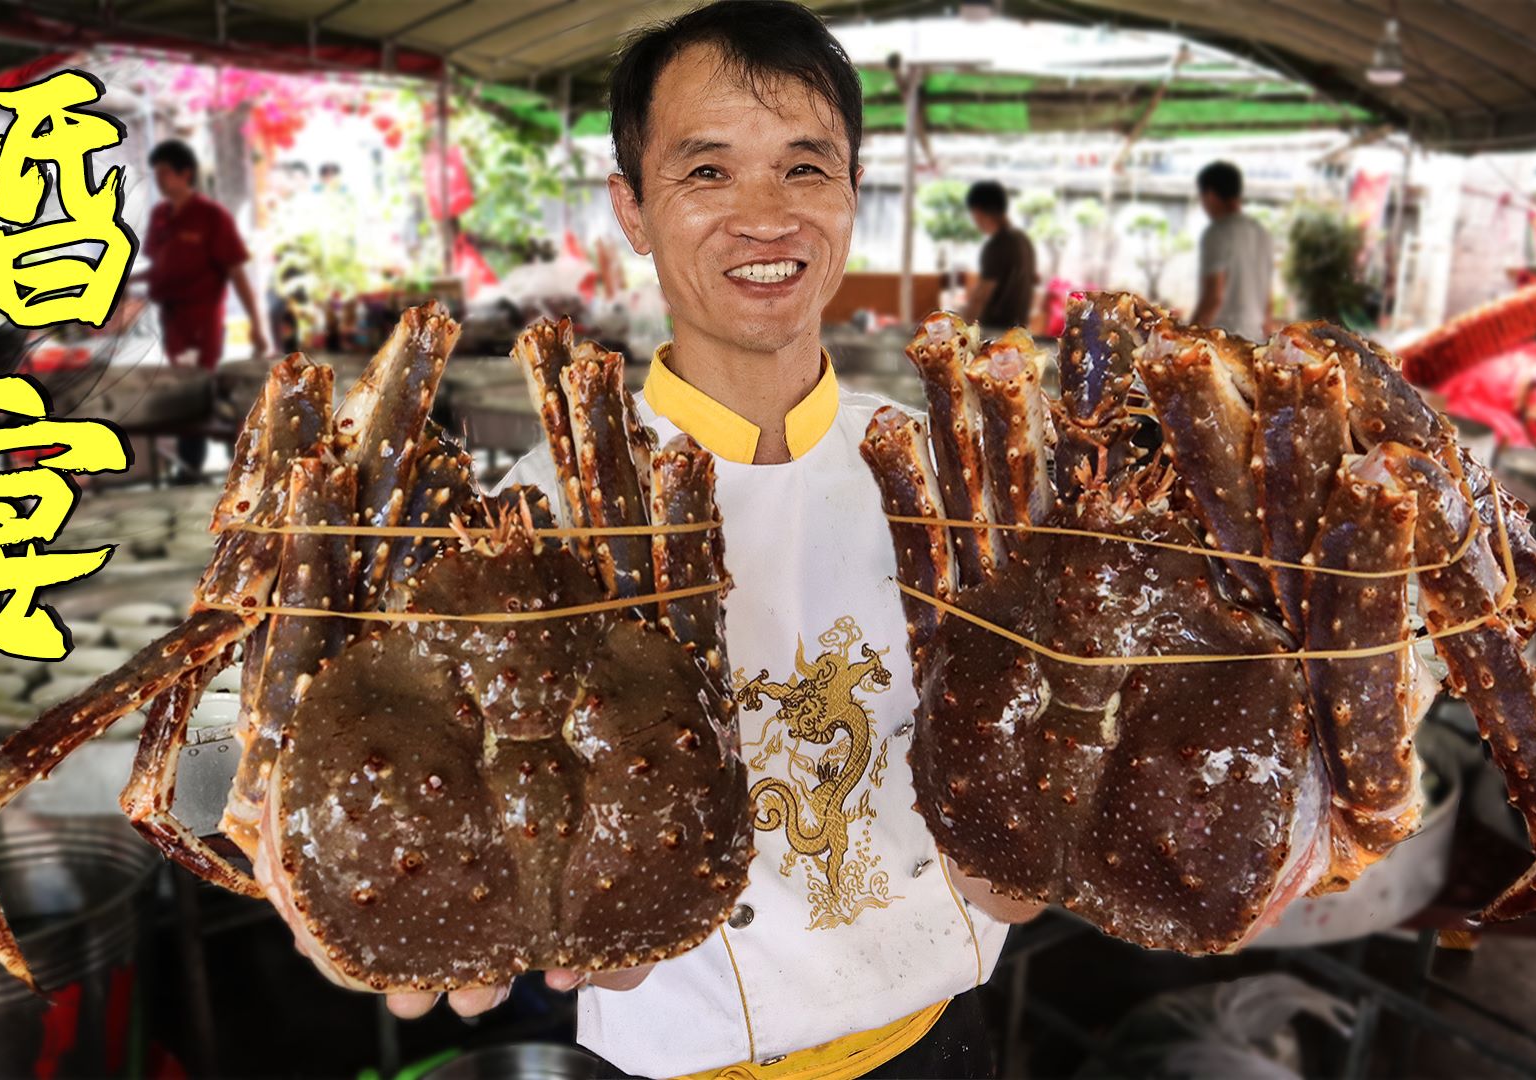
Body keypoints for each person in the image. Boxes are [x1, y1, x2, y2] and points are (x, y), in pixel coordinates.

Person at [386, 4, 1044, 1078]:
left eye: (804, 168)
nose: (765, 217)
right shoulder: (535, 523)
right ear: (632, 210)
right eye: (706, 174)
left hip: (940, 1035)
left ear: (852, 194)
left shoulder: (953, 473)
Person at [137, 139, 269, 481]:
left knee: (200, 391)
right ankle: (200, 464)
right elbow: (157, 267)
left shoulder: (211, 217)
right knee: (184, 392)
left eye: (166, 173)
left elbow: (237, 272)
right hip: (172, 323)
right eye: (157, 173)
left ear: (186, 174)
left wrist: (256, 324)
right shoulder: (161, 216)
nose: (160, 180)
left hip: (202, 322)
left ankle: (207, 465)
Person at [1189, 160, 1273, 341]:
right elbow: (1267, 296)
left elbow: (1214, 298)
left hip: (1226, 340)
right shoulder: (1260, 232)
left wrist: (1189, 336)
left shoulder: (1217, 233)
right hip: (1257, 337)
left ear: (1210, 196)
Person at [961, 180, 1036, 333]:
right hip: (1019, 332)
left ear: (978, 212)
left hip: (995, 334)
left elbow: (980, 298)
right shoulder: (1023, 240)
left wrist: (961, 331)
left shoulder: (997, 245)